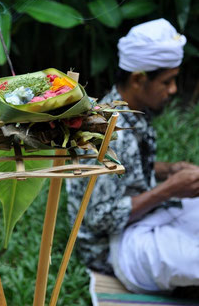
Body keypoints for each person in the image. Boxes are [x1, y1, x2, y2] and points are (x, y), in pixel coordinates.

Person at [66, 18, 199, 295]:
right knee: (190, 259)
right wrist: (168, 190)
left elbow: (126, 168)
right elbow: (99, 218)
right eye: (168, 81)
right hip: (114, 246)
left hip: (147, 218)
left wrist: (169, 170)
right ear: (139, 79)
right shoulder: (110, 132)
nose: (173, 90)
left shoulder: (126, 109)